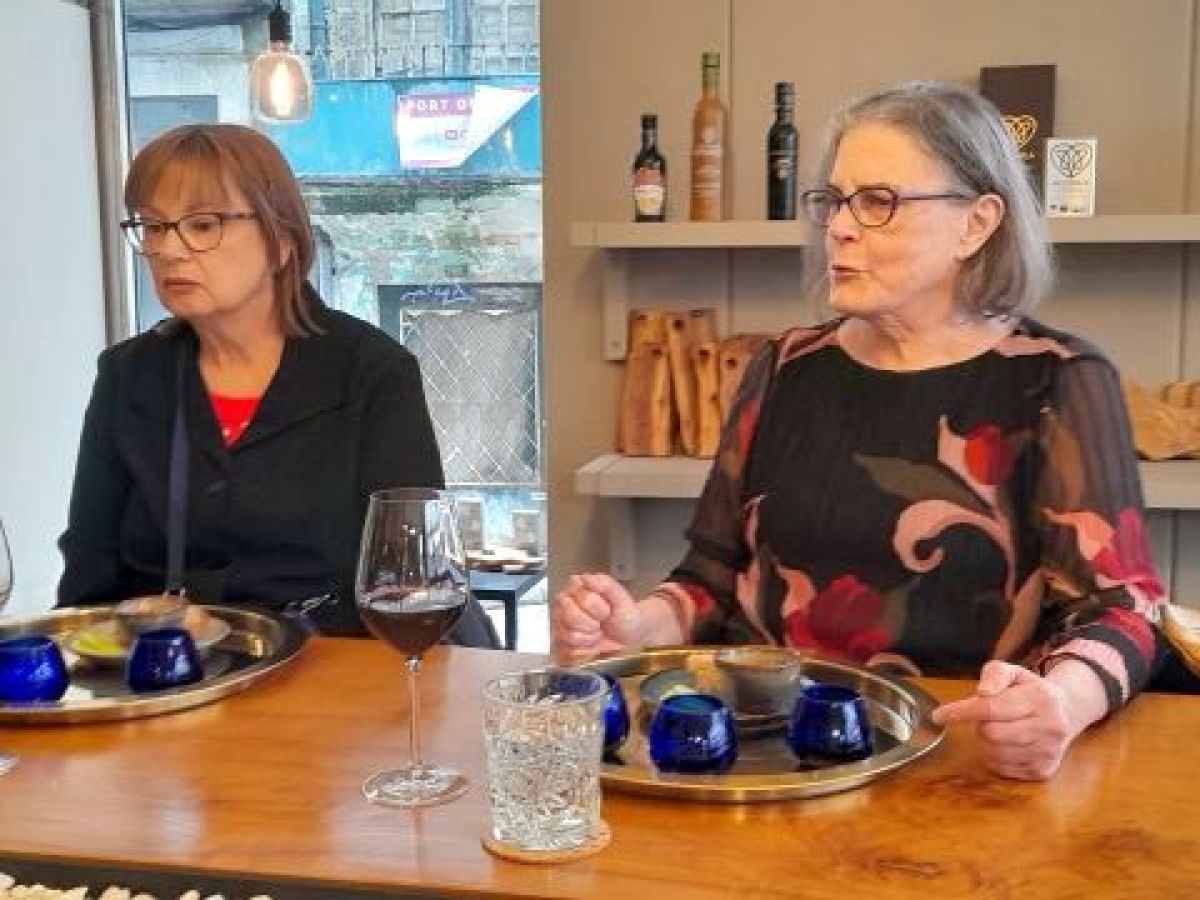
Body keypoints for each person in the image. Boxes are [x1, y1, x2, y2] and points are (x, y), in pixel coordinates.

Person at [552, 81, 1166, 780]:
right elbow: (711, 581)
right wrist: (639, 626)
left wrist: (1061, 699)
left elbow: (1123, 610)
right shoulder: (783, 366)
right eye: (834, 200)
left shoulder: (1059, 379)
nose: (838, 227)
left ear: (977, 223)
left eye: (878, 202)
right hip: (762, 766)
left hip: (954, 766)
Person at [58, 122, 497, 645]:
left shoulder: (372, 373)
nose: (169, 251)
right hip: (172, 686)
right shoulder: (127, 377)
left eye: (202, 226)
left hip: (338, 684)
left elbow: (413, 578)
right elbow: (87, 586)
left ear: (282, 240)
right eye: (153, 227)